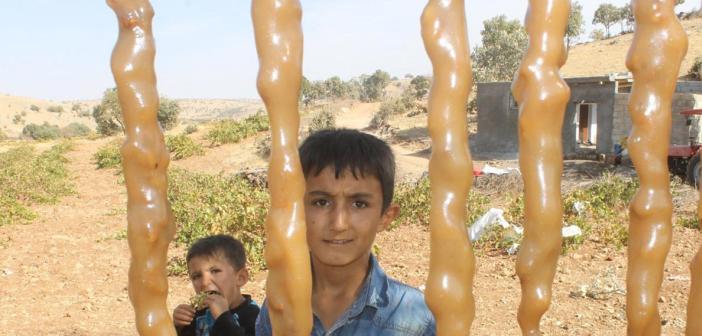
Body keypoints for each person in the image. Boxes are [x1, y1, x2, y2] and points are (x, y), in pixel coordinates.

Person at [256, 129, 436, 335]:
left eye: (359, 204)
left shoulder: (418, 319)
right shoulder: (278, 306)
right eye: (321, 202)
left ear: (385, 216)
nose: (339, 223)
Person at [173, 234, 260, 336]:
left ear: (241, 278)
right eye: (197, 276)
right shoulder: (198, 316)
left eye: (215, 271)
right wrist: (179, 328)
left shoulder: (254, 316)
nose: (205, 282)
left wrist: (223, 318)